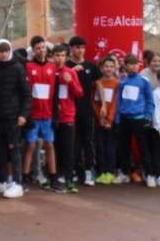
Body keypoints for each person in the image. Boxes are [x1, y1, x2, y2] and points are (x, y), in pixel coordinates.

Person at [0, 39, 31, 198]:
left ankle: (17, 183)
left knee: (14, 150)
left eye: (6, 51)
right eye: (0, 51)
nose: (3, 54)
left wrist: (23, 115)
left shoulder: (18, 68)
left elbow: (26, 95)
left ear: (10, 52)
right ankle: (0, 181)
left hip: (14, 117)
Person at [116, 53, 157, 186]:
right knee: (125, 148)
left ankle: (149, 174)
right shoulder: (123, 82)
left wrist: (148, 116)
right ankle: (124, 173)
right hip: (124, 118)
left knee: (143, 147)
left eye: (135, 64)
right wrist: (118, 119)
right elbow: (119, 102)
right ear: (126, 66)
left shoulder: (143, 81)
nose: (133, 66)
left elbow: (150, 100)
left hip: (139, 118)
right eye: (131, 64)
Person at [23, 36, 58, 189]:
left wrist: (56, 113)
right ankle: (24, 178)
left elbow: (55, 92)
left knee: (49, 145)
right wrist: (27, 113)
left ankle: (54, 177)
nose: (42, 50)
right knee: (31, 146)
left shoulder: (53, 66)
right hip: (34, 114)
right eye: (38, 48)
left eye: (43, 47)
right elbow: (26, 91)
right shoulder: (29, 66)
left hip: (48, 114)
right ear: (33, 50)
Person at [50, 43, 83, 193]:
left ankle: (69, 178)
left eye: (62, 55)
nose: (60, 58)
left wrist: (70, 81)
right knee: (52, 148)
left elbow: (79, 93)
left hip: (67, 116)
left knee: (68, 149)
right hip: (50, 116)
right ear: (52, 56)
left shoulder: (71, 72)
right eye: (57, 55)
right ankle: (54, 177)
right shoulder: (49, 71)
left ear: (67, 57)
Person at [68, 36, 101, 186]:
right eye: (77, 47)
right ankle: (72, 170)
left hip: (87, 109)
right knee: (73, 141)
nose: (80, 50)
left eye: (82, 47)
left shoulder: (92, 66)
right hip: (70, 110)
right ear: (71, 49)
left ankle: (89, 170)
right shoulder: (67, 65)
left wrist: (104, 105)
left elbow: (98, 85)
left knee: (88, 140)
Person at [93, 56, 121, 184]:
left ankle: (110, 171)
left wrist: (109, 120)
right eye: (106, 66)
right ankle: (102, 171)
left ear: (115, 68)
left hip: (111, 122)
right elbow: (94, 101)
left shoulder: (117, 83)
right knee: (100, 147)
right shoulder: (96, 82)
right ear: (101, 68)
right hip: (99, 122)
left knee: (110, 147)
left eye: (111, 66)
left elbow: (116, 102)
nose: (108, 69)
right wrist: (99, 117)